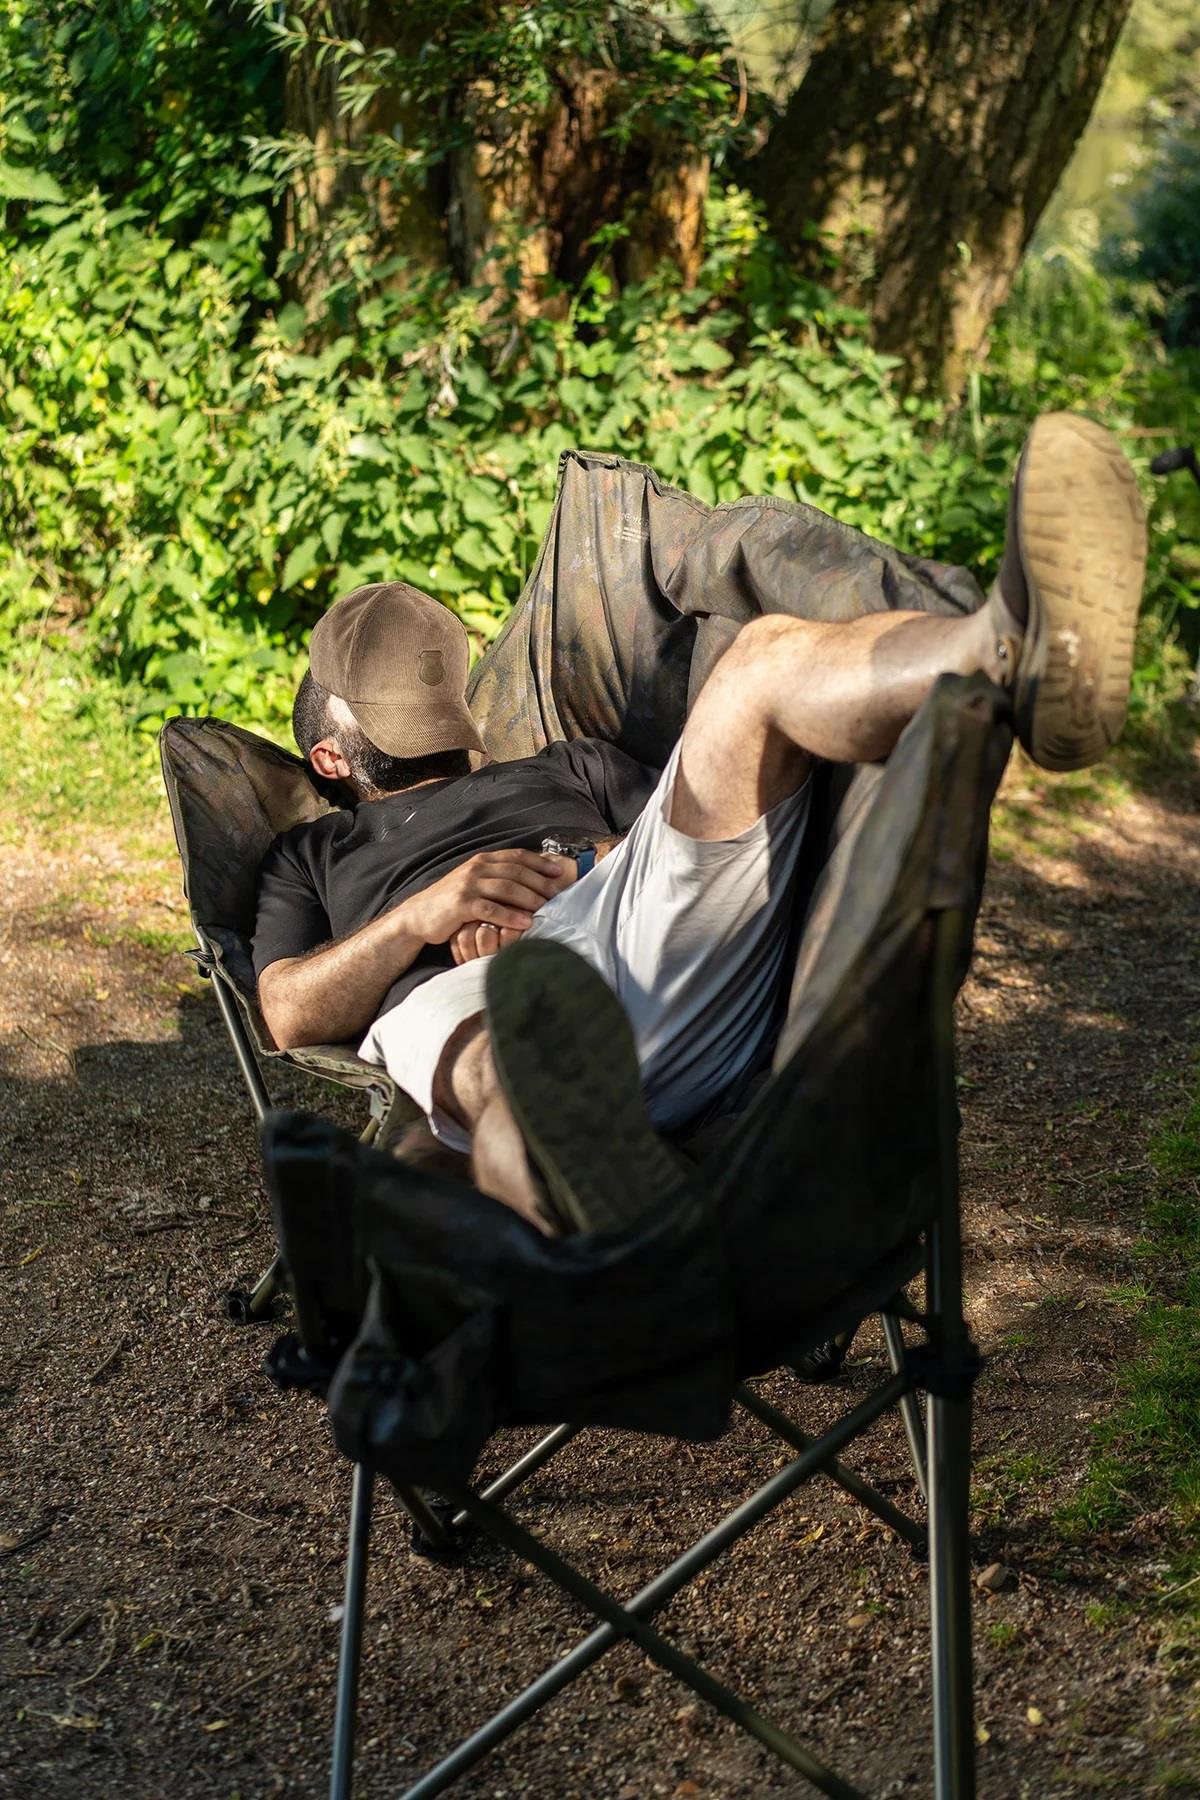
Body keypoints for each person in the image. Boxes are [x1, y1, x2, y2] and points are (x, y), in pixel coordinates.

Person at [253, 412, 1147, 1234]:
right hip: (479, 1002)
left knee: (758, 660)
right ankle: (636, 1231)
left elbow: (688, 834)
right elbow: (287, 1012)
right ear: (327, 760)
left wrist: (573, 864)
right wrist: (425, 913)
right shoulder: (311, 853)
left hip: (639, 934)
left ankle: (1009, 650)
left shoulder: (565, 764)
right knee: (509, 1067)